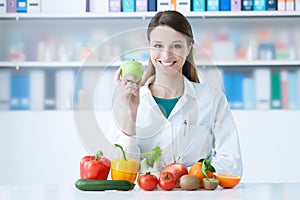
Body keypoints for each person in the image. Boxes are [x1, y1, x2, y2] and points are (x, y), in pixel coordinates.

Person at [109, 10, 243, 176]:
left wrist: (183, 177)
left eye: (176, 46)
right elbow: (122, 173)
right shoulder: (127, 100)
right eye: (158, 46)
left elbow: (231, 163)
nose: (166, 55)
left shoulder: (212, 99)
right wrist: (130, 116)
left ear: (188, 48)